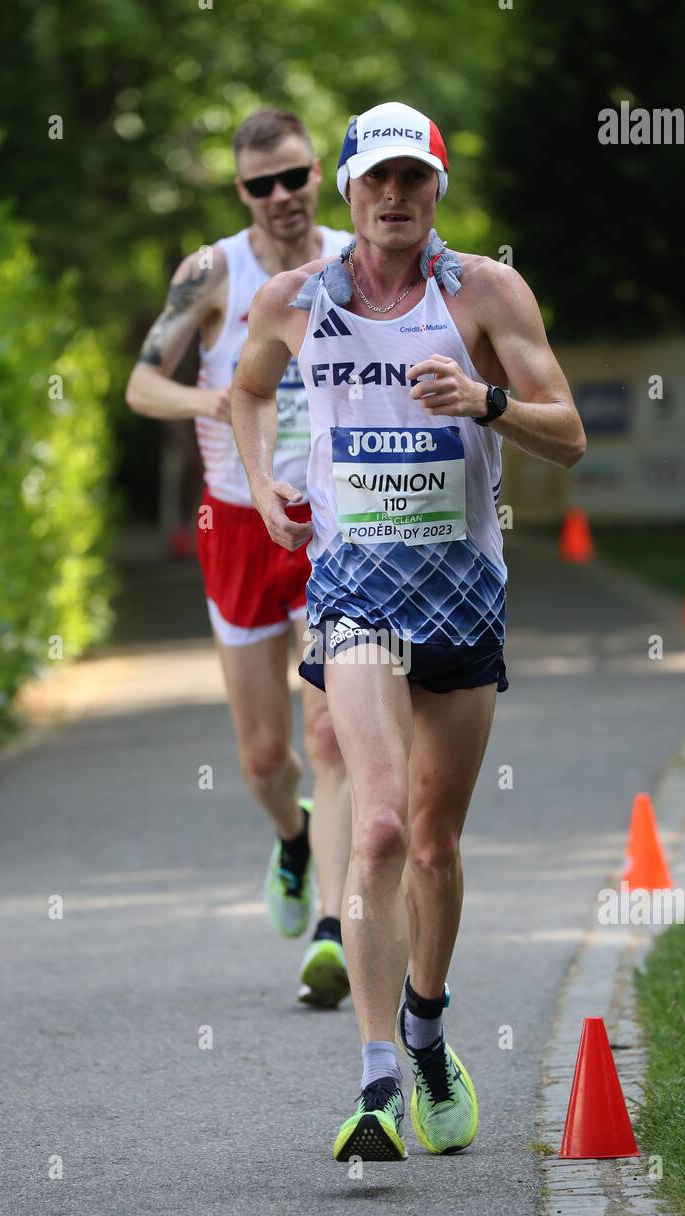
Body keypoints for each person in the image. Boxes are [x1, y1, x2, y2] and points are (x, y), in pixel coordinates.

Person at [232, 100, 586, 1159]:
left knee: (434, 841)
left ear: (436, 188)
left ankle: (429, 1025)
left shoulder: (482, 291)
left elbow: (564, 434)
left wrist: (483, 402)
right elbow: (246, 394)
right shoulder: (297, 302)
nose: (394, 199)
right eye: (375, 181)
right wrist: (260, 486)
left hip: (461, 593)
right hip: (354, 595)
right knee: (378, 823)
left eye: (414, 181)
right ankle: (377, 1080)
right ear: (346, 191)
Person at [126, 108, 353, 1007]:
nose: (283, 197)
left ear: (315, 173)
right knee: (265, 758)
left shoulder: (349, 260)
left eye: (295, 176)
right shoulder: (211, 271)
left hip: (332, 523)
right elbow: (141, 381)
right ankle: (293, 839)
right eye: (262, 184)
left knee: (330, 731)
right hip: (237, 526)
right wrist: (210, 398)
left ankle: (336, 927)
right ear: (241, 193)